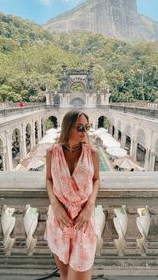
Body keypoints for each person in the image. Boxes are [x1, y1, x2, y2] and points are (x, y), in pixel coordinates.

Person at [44, 110, 100, 280]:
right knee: (64, 276)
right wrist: (55, 205)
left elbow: (96, 179)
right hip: (59, 221)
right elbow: (48, 179)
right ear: (68, 128)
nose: (85, 132)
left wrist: (90, 206)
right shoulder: (52, 153)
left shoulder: (92, 153)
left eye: (87, 128)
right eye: (80, 127)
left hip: (83, 221)